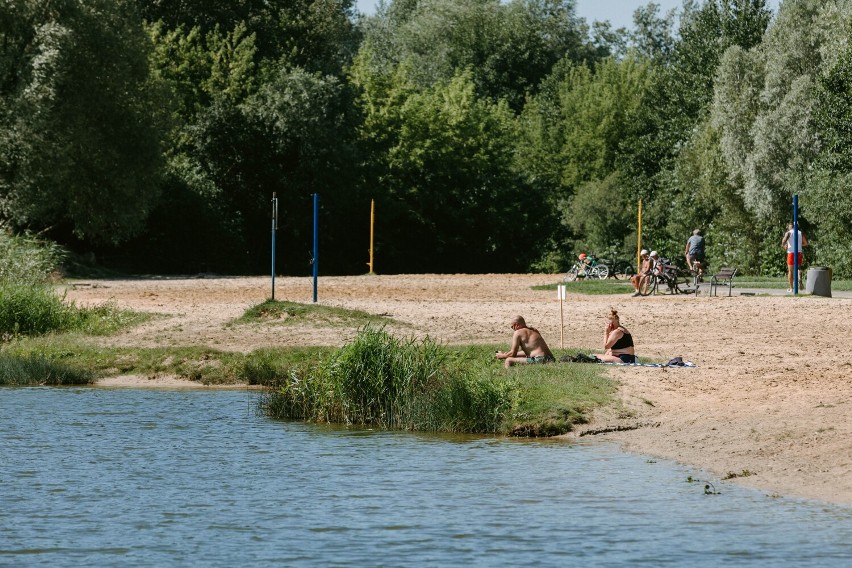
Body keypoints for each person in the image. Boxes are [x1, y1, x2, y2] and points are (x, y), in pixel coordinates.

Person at [781, 223, 808, 292]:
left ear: (791, 226)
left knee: (790, 270)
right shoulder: (800, 233)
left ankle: (791, 288)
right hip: (799, 252)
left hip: (791, 253)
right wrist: (799, 244)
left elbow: (783, 241)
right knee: (798, 268)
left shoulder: (789, 233)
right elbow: (806, 243)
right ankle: (799, 279)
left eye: (789, 226)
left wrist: (784, 246)